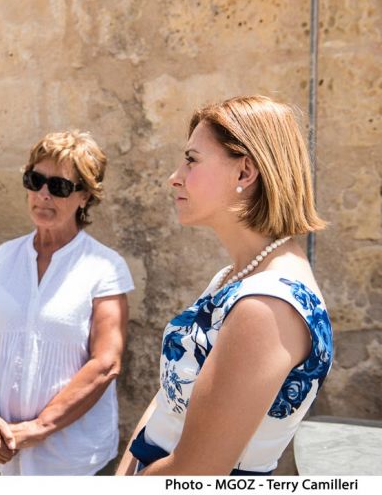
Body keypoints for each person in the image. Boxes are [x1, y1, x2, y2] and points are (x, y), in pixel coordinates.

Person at [116, 95, 333, 476]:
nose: (175, 176)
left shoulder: (267, 307)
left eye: (191, 159)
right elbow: (169, 399)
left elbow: (196, 470)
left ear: (245, 173)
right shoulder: (235, 277)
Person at [0, 130, 134, 475]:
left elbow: (106, 363)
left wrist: (39, 428)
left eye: (59, 186)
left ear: (85, 196)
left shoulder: (105, 268)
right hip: (4, 452)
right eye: (35, 180)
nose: (43, 194)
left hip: (72, 459)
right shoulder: (1, 260)